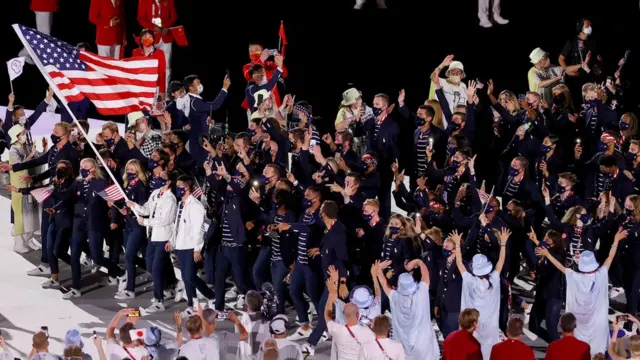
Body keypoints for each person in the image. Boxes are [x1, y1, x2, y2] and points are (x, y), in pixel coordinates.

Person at [538, 228, 628, 356]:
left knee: (580, 352)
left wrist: (547, 255)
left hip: (579, 324)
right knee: (598, 353)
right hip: (598, 324)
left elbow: (560, 266)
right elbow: (610, 256)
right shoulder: (601, 274)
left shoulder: (575, 276)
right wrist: (616, 241)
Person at [452, 228, 510, 360]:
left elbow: (459, 263)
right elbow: (501, 262)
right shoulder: (494, 279)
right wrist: (503, 243)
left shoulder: (469, 280)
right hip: (490, 327)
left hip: (473, 325)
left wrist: (457, 244)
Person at [127, 170, 178, 312]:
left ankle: (159, 301)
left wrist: (145, 222)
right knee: (150, 265)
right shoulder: (155, 193)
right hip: (152, 236)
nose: (157, 178)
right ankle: (169, 286)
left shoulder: (171, 199)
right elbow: (146, 209)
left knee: (156, 268)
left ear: (168, 182)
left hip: (163, 238)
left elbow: (164, 220)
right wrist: (135, 206)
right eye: (157, 176)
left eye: (162, 177)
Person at [168, 175, 215, 314]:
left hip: (190, 247)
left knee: (189, 276)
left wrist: (197, 249)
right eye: (177, 186)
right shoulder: (180, 203)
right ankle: (191, 304)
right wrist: (172, 240)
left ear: (188, 188)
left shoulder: (195, 206)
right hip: (180, 246)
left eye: (181, 187)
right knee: (185, 277)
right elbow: (176, 225)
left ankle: (211, 296)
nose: (178, 189)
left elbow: (199, 230)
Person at [375, 260, 440, 360]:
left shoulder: (395, 297)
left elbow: (384, 284)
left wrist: (379, 270)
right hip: (424, 350)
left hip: (403, 350)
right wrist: (419, 262)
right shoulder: (421, 293)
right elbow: (425, 275)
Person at [325, 266, 375, 360]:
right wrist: (375, 276)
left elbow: (328, 313)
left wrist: (333, 287)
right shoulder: (370, 320)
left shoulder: (344, 313)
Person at [7, 124, 41, 254]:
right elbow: (18, 166)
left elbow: (38, 157)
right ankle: (19, 243)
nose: (24, 135)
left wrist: (42, 149)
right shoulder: (13, 150)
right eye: (22, 134)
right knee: (21, 215)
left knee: (31, 214)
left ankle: (28, 239)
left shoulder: (25, 147)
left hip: (29, 183)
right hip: (18, 185)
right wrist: (30, 155)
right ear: (16, 136)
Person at [137, 0, 178, 90]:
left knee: (166, 66)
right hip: (150, 37)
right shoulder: (143, 1)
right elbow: (141, 18)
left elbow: (174, 16)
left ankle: (165, 93)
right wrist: (152, 27)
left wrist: (167, 27)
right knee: (149, 65)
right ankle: (150, 91)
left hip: (166, 37)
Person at [132, 30, 167, 97]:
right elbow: (134, 71)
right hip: (140, 87)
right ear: (141, 40)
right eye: (145, 36)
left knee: (155, 107)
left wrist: (162, 91)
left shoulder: (160, 53)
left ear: (153, 40)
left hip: (155, 87)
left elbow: (162, 72)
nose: (147, 38)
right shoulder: (135, 52)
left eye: (150, 36)